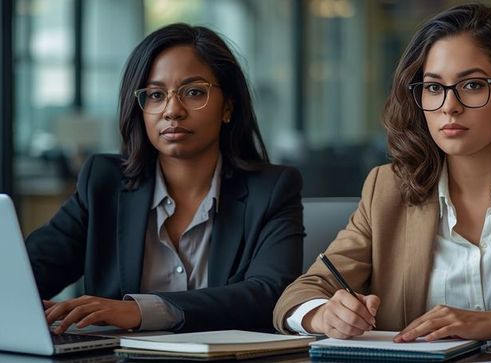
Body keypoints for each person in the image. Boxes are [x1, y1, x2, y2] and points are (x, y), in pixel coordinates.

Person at [273, 3, 491, 342]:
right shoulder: (387, 188)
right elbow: (299, 296)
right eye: (434, 87)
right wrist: (322, 314)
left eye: (472, 85)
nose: (449, 106)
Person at [26, 23, 304, 334]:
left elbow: (271, 294)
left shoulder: (273, 189)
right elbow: (27, 275)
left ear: (228, 106)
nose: (172, 110)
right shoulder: (103, 183)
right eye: (156, 95)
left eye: (194, 92)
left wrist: (139, 311)